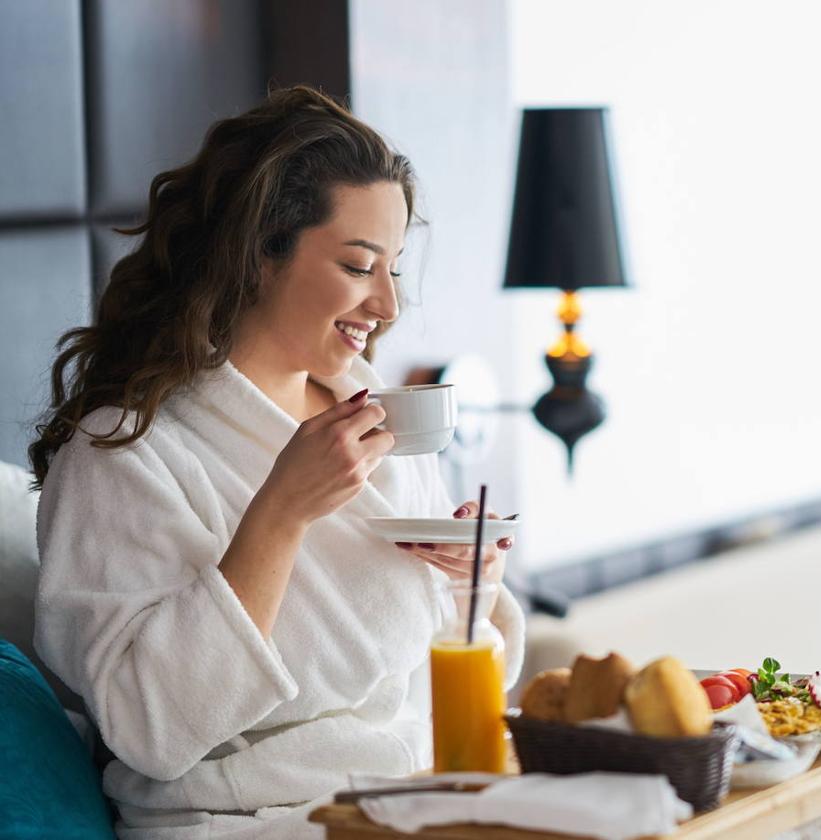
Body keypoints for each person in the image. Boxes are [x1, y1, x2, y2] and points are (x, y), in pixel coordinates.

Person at [28, 85, 524, 839]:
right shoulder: (126, 454)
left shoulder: (375, 420)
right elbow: (149, 730)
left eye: (394, 267)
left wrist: (472, 592)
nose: (388, 304)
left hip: (419, 799)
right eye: (360, 266)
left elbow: (429, 683)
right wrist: (281, 513)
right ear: (260, 255)